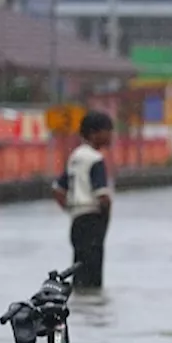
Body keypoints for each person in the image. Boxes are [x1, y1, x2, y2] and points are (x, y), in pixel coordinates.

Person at [51, 111, 114, 290]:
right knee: (93, 277)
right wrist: (105, 217)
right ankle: (92, 313)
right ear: (94, 133)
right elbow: (102, 196)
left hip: (77, 221)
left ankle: (80, 310)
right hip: (92, 219)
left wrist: (71, 209)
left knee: (79, 270)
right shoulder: (95, 159)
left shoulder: (75, 157)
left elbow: (57, 190)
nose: (110, 136)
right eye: (108, 131)